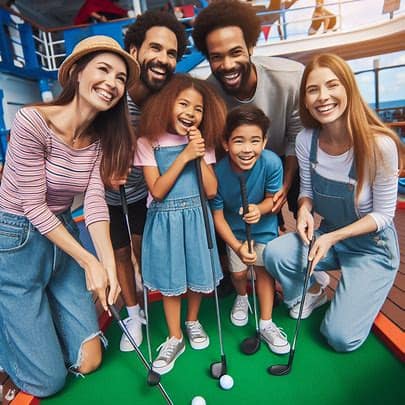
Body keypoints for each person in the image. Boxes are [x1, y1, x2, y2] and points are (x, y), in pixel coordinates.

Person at [0, 35, 139, 396]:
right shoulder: (32, 121)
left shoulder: (98, 138)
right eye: (104, 69)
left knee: (89, 361)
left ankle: (36, 318)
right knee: (46, 383)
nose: (112, 83)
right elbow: (32, 204)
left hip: (60, 235)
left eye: (121, 78)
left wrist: (107, 264)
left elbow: (94, 201)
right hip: (15, 238)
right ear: (77, 73)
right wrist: (89, 262)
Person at [192, 0, 330, 315]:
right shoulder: (209, 95)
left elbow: (296, 138)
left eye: (235, 52)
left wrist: (285, 185)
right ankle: (238, 281)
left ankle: (306, 267)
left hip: (288, 159)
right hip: (245, 169)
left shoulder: (290, 76)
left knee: (296, 206)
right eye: (216, 57)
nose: (227, 64)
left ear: (251, 46)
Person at [263, 53, 403, 351]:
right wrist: (303, 209)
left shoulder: (380, 144)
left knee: (341, 339)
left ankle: (359, 292)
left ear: (348, 88)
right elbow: (309, 191)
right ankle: (316, 289)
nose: (322, 96)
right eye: (313, 89)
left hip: (372, 247)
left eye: (332, 85)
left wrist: (334, 238)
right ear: (305, 98)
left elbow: (384, 215)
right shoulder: (306, 141)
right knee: (275, 253)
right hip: (328, 235)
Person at [104, 10, 187, 352]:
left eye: (171, 54)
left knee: (145, 253)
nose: (163, 59)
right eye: (156, 48)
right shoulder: (111, 95)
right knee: (121, 254)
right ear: (134, 50)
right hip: (107, 197)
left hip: (145, 195)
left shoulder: (165, 102)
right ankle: (134, 316)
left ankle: (157, 309)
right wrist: (102, 173)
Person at [135, 74, 227, 375]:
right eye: (183, 103)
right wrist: (185, 155)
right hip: (165, 221)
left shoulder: (203, 143)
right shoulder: (148, 142)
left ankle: (192, 321)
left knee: (197, 272)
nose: (190, 112)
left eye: (198, 108)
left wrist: (197, 153)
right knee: (172, 283)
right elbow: (157, 190)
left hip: (196, 217)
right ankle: (175, 337)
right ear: (167, 104)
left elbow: (211, 190)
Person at [211, 105, 290, 354]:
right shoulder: (217, 173)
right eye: (239, 141)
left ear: (265, 141)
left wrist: (261, 209)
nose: (247, 149)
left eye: (255, 140)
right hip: (234, 234)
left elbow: (271, 199)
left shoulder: (272, 162)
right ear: (226, 143)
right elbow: (218, 217)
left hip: (265, 229)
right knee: (238, 273)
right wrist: (236, 246)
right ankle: (242, 297)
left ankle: (266, 322)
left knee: (264, 272)